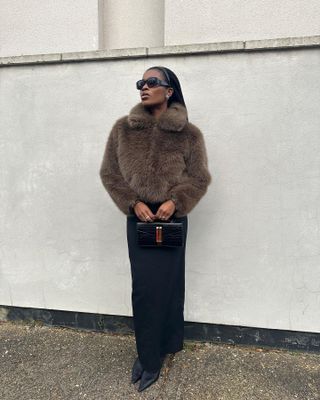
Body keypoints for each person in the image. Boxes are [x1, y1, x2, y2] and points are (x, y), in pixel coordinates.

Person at [99, 66, 212, 392]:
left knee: (170, 288)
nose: (144, 88)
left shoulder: (189, 134)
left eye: (152, 83)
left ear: (169, 90)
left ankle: (164, 347)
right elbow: (110, 174)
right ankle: (148, 357)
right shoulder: (123, 129)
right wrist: (133, 203)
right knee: (145, 290)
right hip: (140, 222)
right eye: (140, 83)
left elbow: (199, 178)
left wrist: (175, 202)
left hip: (173, 221)